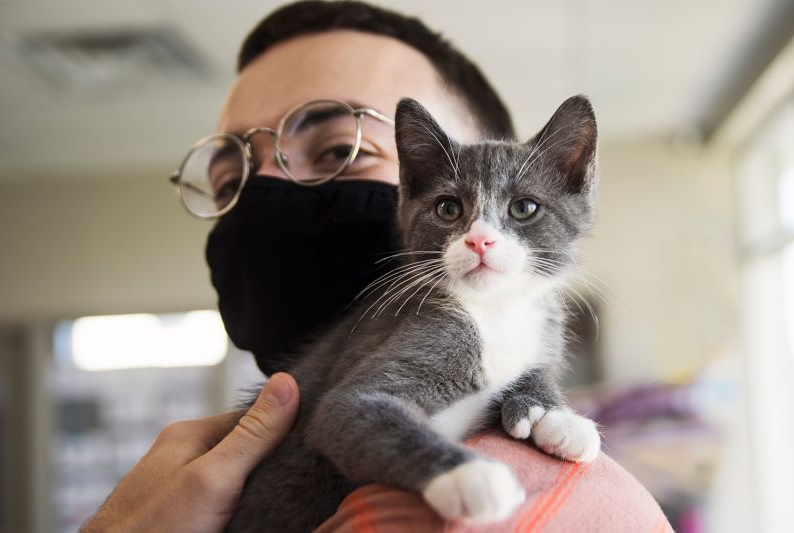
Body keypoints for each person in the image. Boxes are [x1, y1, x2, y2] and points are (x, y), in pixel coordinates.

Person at [83, 2, 672, 531]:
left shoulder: (547, 503)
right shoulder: (188, 484)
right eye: (233, 181)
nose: (268, 195)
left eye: (342, 151)